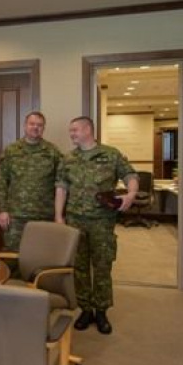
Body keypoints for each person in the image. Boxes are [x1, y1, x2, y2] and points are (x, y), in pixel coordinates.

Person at [55, 116, 137, 334]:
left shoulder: (110, 154)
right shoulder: (68, 158)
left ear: (88, 130)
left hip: (102, 220)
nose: (71, 134)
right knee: (79, 267)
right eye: (70, 130)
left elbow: (130, 174)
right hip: (75, 220)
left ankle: (101, 311)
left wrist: (131, 194)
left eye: (74, 130)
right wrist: (58, 216)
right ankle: (85, 309)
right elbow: (61, 187)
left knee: (102, 266)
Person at [0, 111, 62, 266]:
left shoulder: (52, 152)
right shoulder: (12, 150)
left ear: (44, 128)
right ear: (25, 126)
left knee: (42, 257)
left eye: (39, 125)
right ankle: (13, 283)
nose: (35, 127)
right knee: (13, 257)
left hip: (44, 215)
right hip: (16, 215)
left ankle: (37, 283)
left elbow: (61, 184)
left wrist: (59, 214)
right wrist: (3, 210)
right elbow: (2, 182)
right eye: (32, 124)